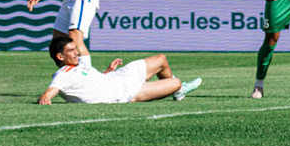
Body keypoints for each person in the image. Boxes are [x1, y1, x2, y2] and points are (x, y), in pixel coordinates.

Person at [38, 33, 201, 104]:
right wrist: (45, 98)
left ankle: (178, 92)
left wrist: (108, 72)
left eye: (75, 49)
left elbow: (91, 82)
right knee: (175, 82)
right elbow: (49, 93)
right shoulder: (63, 74)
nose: (77, 53)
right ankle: (178, 90)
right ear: (60, 57)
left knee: (161, 59)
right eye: (71, 51)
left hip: (117, 77)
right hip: (124, 92)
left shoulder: (78, 65)